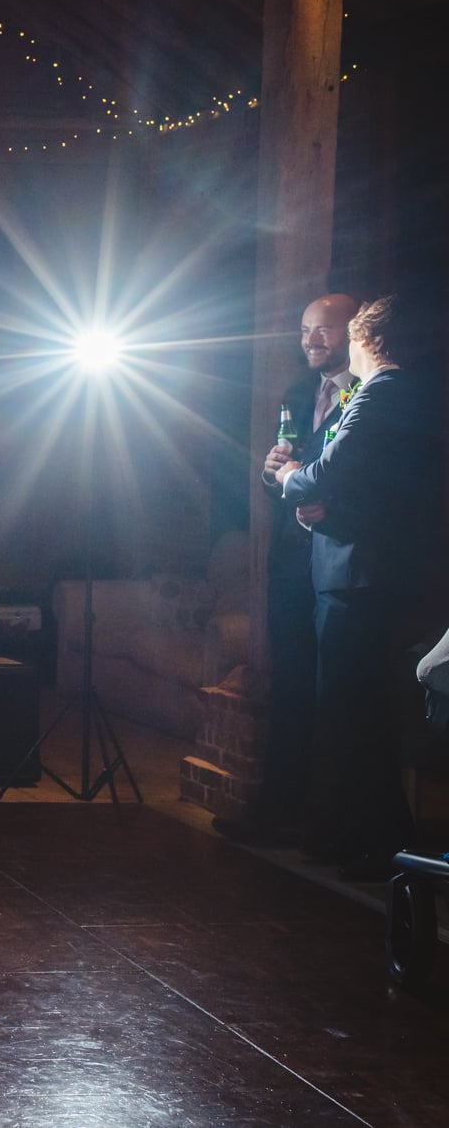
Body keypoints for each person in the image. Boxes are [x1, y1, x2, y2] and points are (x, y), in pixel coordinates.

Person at [279, 295, 432, 880]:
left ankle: (383, 844)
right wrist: (313, 504)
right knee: (354, 712)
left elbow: (329, 471)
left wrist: (294, 478)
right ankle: (370, 840)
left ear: (365, 341)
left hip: (359, 575)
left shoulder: (382, 391)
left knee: (350, 712)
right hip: (357, 566)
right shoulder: (398, 393)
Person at [220, 294, 358, 845]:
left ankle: (326, 821)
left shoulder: (368, 394)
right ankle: (278, 808)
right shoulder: (300, 393)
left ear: (355, 333)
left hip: (344, 558)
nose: (311, 340)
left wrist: (334, 505)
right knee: (291, 683)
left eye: (324, 330)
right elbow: (283, 476)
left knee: (336, 692)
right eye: (305, 330)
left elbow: (374, 481)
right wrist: (269, 472)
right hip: (292, 558)